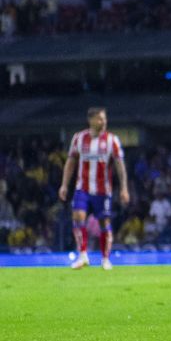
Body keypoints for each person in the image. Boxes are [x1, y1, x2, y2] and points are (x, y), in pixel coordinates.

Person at [58, 107, 129, 270]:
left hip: (103, 191)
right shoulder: (78, 138)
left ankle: (105, 259)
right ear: (90, 120)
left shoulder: (112, 140)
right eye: (100, 119)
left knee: (105, 222)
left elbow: (120, 166)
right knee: (78, 216)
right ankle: (83, 255)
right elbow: (70, 162)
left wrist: (124, 188)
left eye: (104, 119)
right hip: (82, 188)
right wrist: (64, 184)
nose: (103, 122)